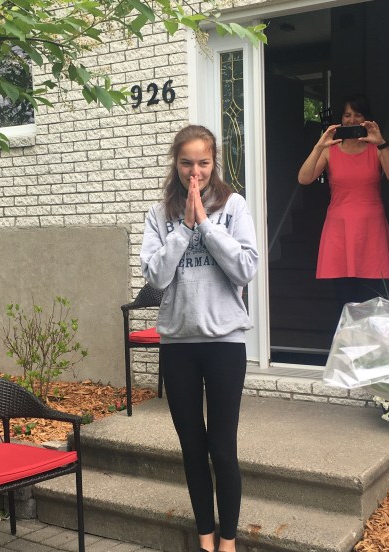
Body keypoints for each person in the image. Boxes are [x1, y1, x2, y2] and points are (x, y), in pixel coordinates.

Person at [140, 125, 259, 552]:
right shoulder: (159, 214)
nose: (195, 172)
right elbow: (155, 277)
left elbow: (246, 268)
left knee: (222, 449)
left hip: (225, 343)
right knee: (192, 448)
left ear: (214, 163)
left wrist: (206, 226)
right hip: (179, 346)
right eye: (187, 163)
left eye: (203, 163)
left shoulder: (233, 206)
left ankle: (228, 541)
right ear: (176, 163)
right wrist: (183, 228)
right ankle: (205, 538)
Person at [297, 93, 389, 310]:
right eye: (347, 115)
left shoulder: (376, 149)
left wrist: (381, 142)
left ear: (366, 119)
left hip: (371, 230)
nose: (351, 120)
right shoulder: (330, 151)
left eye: (357, 114)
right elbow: (304, 178)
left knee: (370, 301)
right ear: (340, 119)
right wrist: (319, 146)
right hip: (339, 230)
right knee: (344, 301)